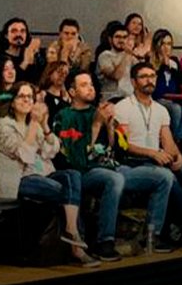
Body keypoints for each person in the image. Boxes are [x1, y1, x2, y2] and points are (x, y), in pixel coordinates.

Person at [0, 81, 99, 267]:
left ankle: (71, 232)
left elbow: (52, 151)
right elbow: (25, 155)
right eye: (22, 96)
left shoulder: (34, 124)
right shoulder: (2, 126)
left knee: (72, 176)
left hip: (42, 174)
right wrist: (34, 123)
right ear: (12, 101)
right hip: (18, 179)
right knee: (65, 192)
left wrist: (44, 125)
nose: (27, 100)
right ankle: (76, 245)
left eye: (30, 97)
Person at [115, 61, 182, 248]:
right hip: (132, 162)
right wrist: (153, 153)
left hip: (157, 159)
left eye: (152, 76)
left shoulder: (161, 110)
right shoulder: (122, 107)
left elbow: (168, 140)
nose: (149, 80)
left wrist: (178, 156)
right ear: (133, 82)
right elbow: (124, 145)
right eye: (143, 77)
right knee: (166, 175)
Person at [54, 73, 128, 262]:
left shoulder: (100, 111)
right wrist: (96, 125)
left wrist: (109, 126)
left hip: (113, 167)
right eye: (84, 85)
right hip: (84, 173)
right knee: (115, 179)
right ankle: (105, 241)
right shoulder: (65, 116)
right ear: (72, 92)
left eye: (92, 84)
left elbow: (119, 151)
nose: (90, 88)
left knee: (162, 176)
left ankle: (157, 236)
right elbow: (77, 159)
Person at [149, 29, 182, 141]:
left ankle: (176, 139)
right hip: (158, 98)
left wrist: (173, 68)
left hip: (174, 98)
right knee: (176, 109)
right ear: (157, 45)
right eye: (163, 43)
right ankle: (173, 141)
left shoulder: (174, 60)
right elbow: (156, 90)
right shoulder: (150, 61)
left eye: (169, 44)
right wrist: (162, 66)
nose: (166, 47)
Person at [0, 17, 45, 84]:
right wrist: (25, 62)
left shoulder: (31, 53)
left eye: (22, 31)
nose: (18, 34)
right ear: (6, 35)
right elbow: (8, 81)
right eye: (14, 31)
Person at [96, 22, 135, 100]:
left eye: (124, 37)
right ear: (110, 39)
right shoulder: (105, 56)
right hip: (111, 98)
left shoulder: (131, 57)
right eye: (118, 37)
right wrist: (127, 55)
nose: (121, 40)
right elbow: (116, 76)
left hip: (129, 98)